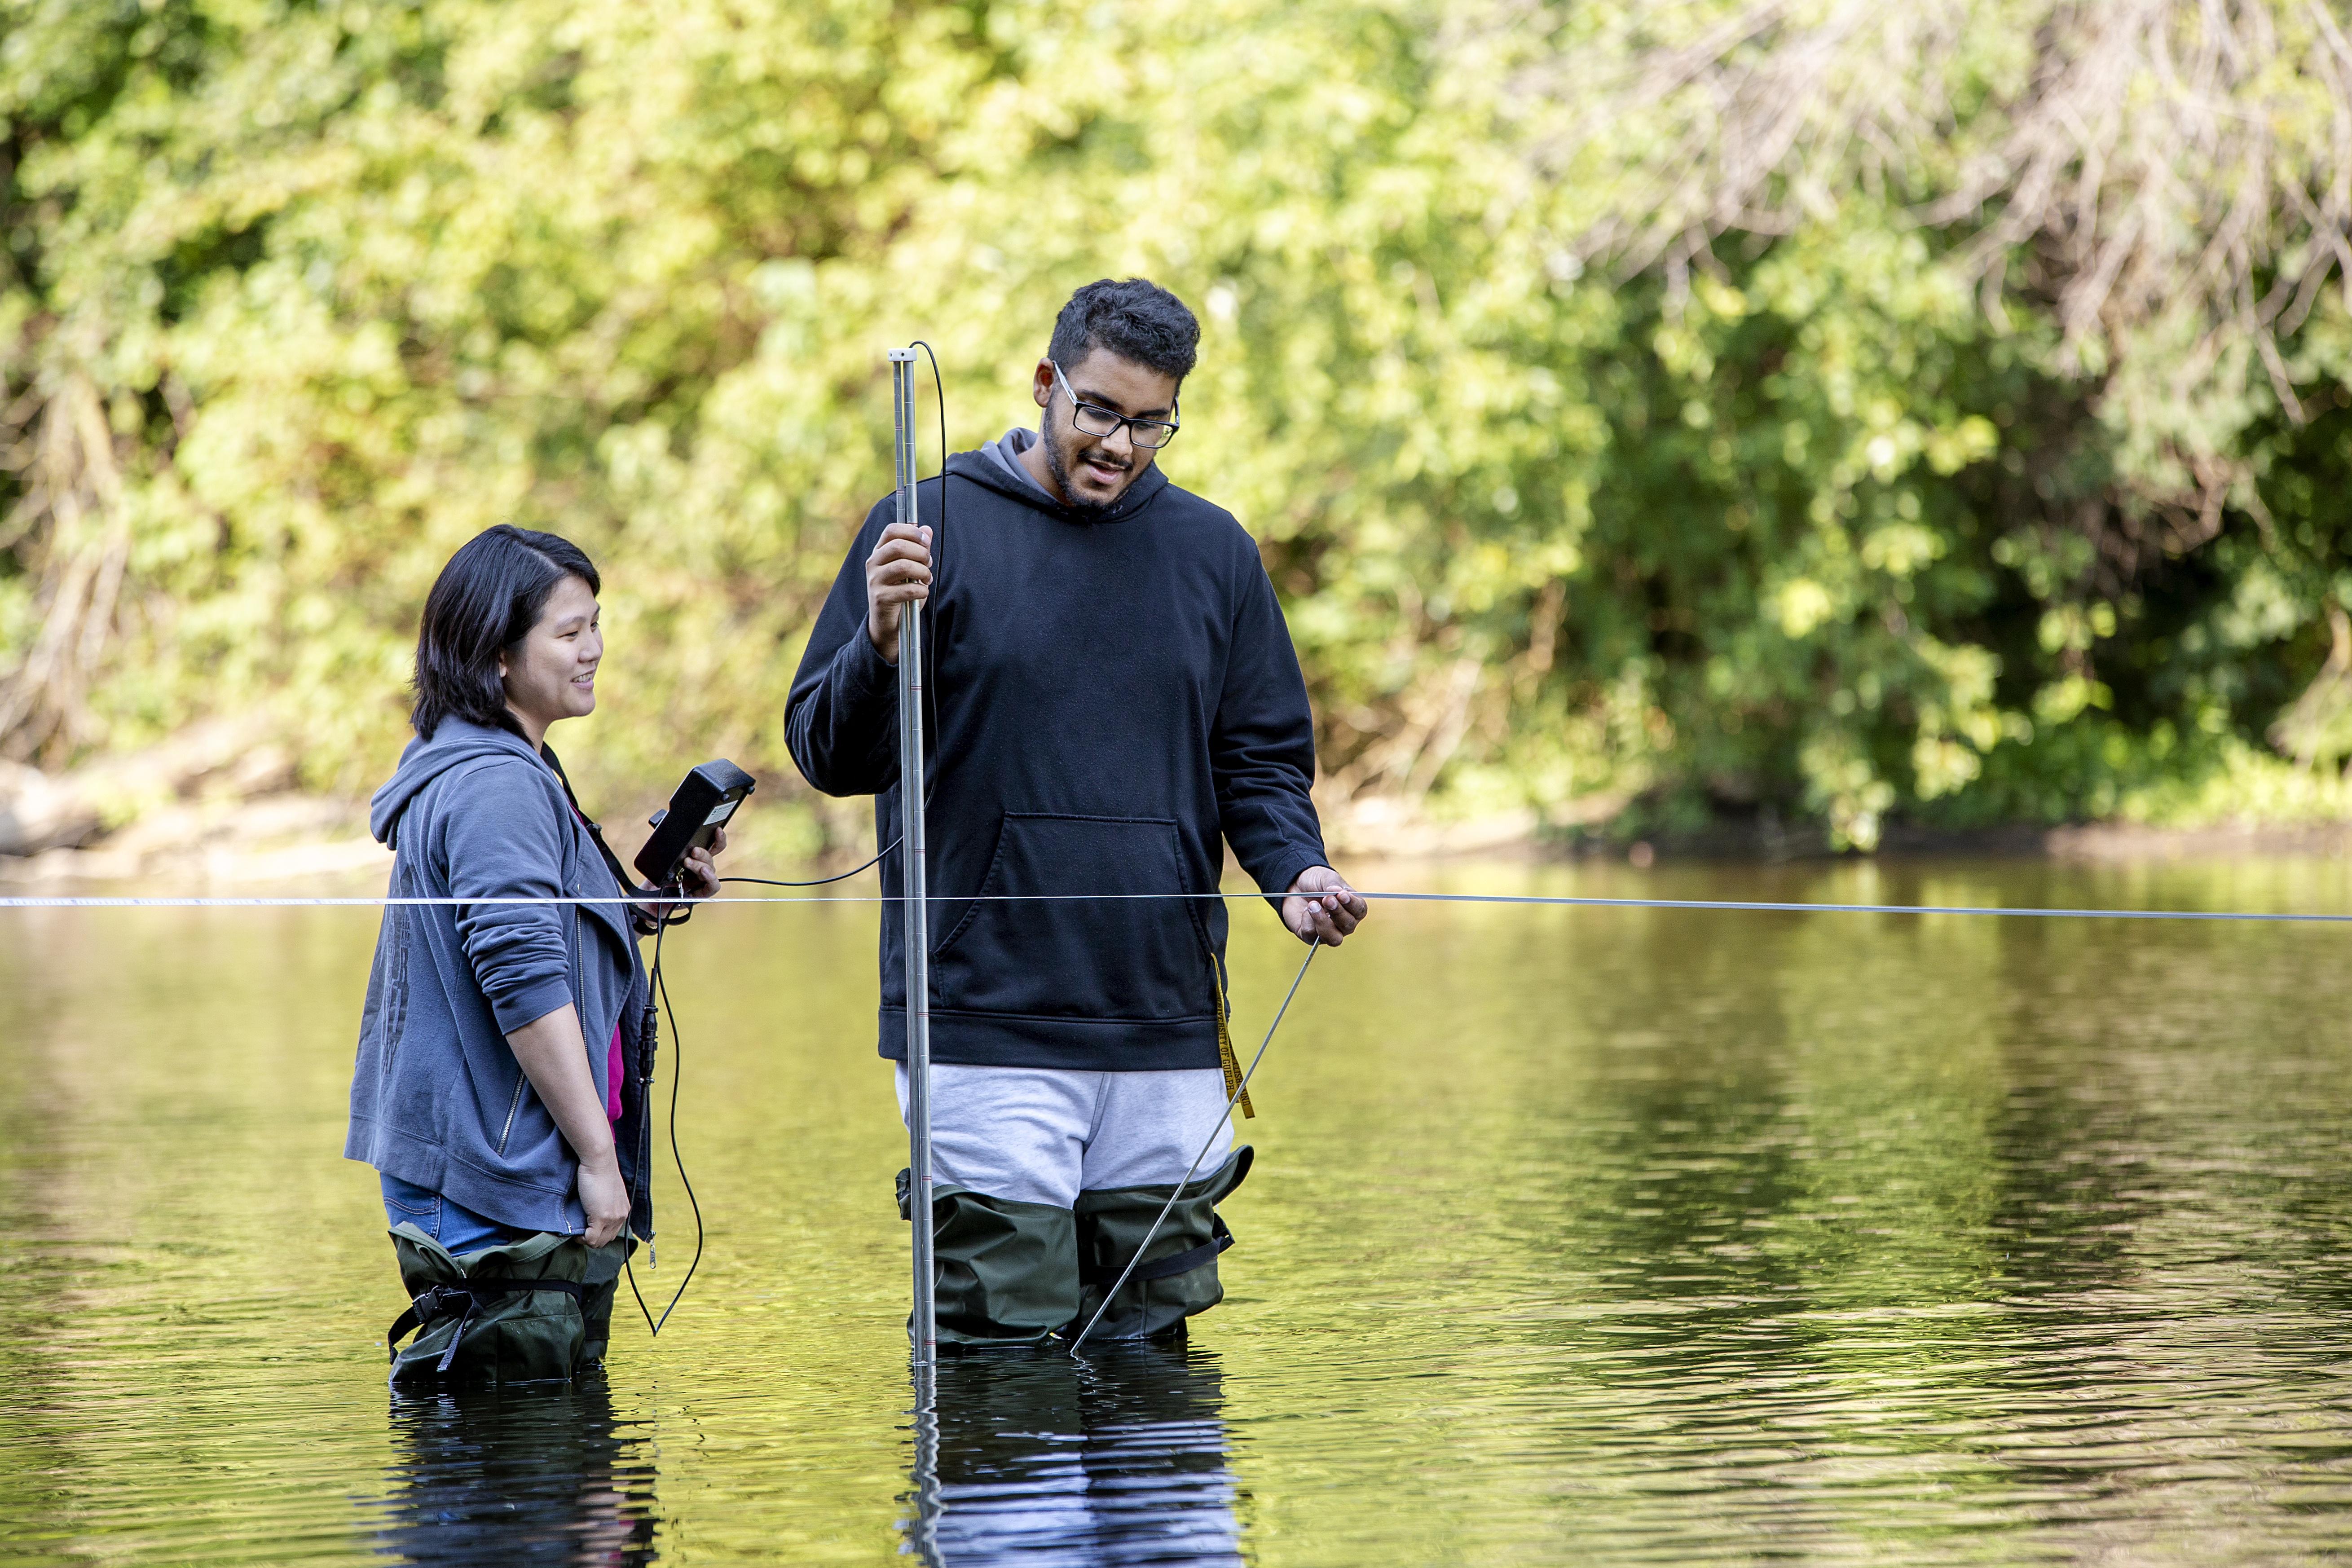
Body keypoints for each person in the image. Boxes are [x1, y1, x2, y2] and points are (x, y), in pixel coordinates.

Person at [787, 277, 1367, 1348]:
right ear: (1047, 383)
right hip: (981, 1023)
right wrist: (876, 640)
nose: (1121, 444)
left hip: (1166, 1020)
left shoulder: (1215, 554)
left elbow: (1262, 761)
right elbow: (828, 754)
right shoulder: (924, 528)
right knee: (1003, 1355)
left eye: (1152, 422)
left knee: (1152, 1361)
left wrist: (1297, 876)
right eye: (1099, 410)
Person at [348, 524, 722, 1379]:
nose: (594, 650)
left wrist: (643, 906)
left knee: (551, 1463)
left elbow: (536, 930)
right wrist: (599, 1159)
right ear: (497, 656)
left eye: (596, 624)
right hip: (494, 1179)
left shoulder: (516, 765)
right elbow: (520, 980)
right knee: (519, 1454)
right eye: (568, 632)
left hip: (508, 1165)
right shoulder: (496, 785)